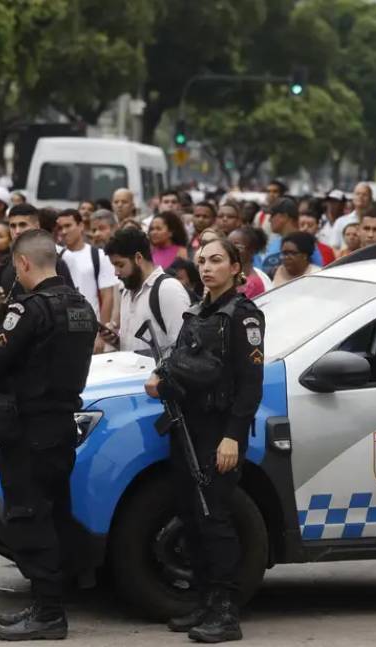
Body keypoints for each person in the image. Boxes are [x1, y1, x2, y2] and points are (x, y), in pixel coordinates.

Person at [0, 229, 97, 641]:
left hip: (28, 428)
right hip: (60, 425)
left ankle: (48, 612)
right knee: (53, 514)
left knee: (29, 517)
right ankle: (49, 602)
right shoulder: (81, 306)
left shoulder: (28, 310)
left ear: (23, 263)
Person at [144, 237, 265, 643]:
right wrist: (161, 377)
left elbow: (250, 386)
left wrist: (232, 437)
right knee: (191, 516)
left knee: (215, 518)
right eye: (202, 261)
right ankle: (205, 602)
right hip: (187, 427)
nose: (207, 267)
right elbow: (179, 357)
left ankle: (226, 612)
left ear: (235, 266)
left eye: (216, 260)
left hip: (218, 430)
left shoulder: (243, 315)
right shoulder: (198, 311)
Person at [102, 228, 191, 353]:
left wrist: (159, 372)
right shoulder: (127, 292)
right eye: (114, 266)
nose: (116, 272)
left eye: (120, 265)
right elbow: (134, 348)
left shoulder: (168, 289)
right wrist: (116, 341)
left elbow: (183, 348)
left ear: (138, 258)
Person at [56, 209, 118, 331]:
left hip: (91, 326)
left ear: (81, 226)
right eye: (60, 227)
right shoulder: (56, 257)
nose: (64, 231)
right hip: (63, 327)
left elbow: (107, 296)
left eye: (68, 226)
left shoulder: (98, 255)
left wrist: (102, 333)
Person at [228, 227, 272, 298]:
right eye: (228, 246)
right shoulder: (234, 276)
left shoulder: (253, 284)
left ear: (252, 250)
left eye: (237, 247)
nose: (231, 250)